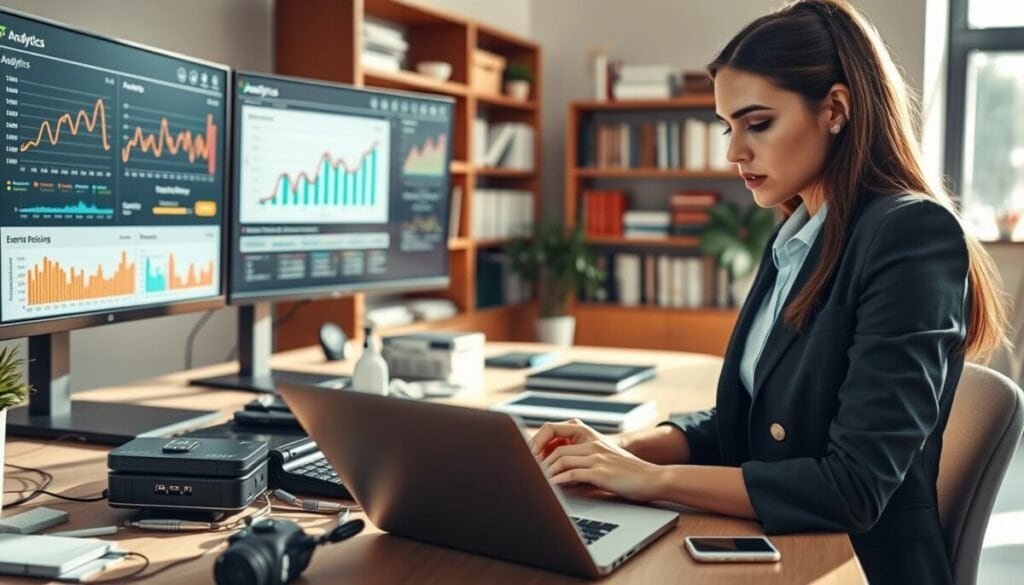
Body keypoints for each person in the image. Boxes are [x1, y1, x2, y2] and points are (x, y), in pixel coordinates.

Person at [530, 1, 1010, 583]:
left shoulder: (910, 235)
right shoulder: (795, 235)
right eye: (726, 126)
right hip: (777, 546)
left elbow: (854, 486)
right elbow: (747, 423)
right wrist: (615, 448)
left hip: (855, 566)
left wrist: (647, 479)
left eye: (757, 123)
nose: (734, 151)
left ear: (835, 108)